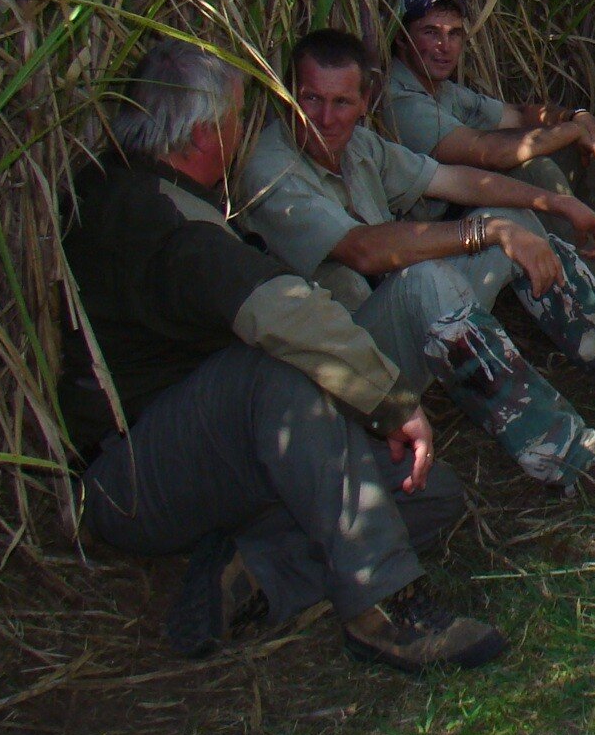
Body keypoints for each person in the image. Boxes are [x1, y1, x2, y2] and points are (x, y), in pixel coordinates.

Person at [60, 41, 506, 674]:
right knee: (277, 373)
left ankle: (256, 569)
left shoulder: (145, 192)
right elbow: (278, 310)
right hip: (136, 478)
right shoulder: (151, 213)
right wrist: (389, 401)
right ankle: (384, 608)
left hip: (216, 463)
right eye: (239, 117)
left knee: (429, 495)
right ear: (206, 131)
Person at [237, 30, 595, 498]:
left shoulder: (361, 147)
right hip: (338, 374)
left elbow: (456, 181)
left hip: (388, 336)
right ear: (287, 96)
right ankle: (574, 459)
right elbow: (361, 249)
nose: (325, 117)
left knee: (509, 220)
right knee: (432, 277)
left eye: (341, 102)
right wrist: (481, 232)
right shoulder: (272, 169)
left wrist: (554, 206)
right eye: (310, 99)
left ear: (364, 103)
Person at [379, 0, 595, 314]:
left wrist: (579, 117)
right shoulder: (402, 100)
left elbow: (518, 114)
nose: (445, 45)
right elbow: (488, 152)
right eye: (431, 32)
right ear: (401, 37)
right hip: (435, 233)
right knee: (535, 170)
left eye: (454, 34)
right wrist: (571, 130)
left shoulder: (446, 91)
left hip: (466, 208)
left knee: (579, 153)